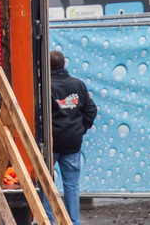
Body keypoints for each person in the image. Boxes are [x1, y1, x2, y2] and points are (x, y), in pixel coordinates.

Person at [43, 50, 97, 225]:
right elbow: (91, 110)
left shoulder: (45, 85)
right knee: (72, 185)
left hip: (51, 142)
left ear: (46, 64)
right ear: (64, 64)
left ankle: (46, 220)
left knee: (46, 183)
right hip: (73, 143)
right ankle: (73, 222)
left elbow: (38, 115)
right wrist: (80, 129)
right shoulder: (78, 84)